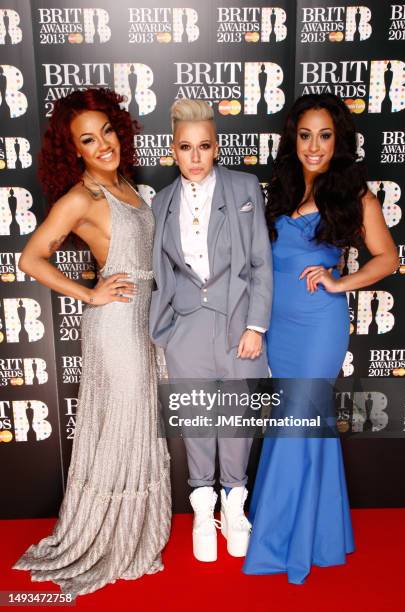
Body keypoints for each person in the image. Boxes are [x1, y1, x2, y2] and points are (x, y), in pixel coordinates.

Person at [12, 88, 171, 597]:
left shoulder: (122, 183)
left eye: (106, 131)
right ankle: (106, 539)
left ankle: (133, 531)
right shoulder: (82, 196)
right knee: (122, 426)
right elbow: (31, 258)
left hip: (143, 322)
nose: (102, 143)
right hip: (116, 326)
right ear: (73, 150)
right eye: (88, 139)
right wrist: (89, 292)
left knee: (139, 424)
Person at [243, 93, 399, 584]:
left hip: (319, 324)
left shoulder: (355, 195)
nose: (315, 146)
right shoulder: (280, 190)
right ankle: (324, 534)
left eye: (325, 135)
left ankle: (280, 541)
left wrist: (339, 281)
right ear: (294, 138)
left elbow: (387, 258)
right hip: (279, 326)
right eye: (306, 135)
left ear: (339, 141)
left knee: (295, 421)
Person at [149, 99, 272, 562]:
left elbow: (260, 263)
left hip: (239, 323)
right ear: (173, 150)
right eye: (186, 147)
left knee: (237, 419)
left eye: (204, 146)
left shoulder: (244, 188)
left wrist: (256, 325)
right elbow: (161, 269)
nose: (195, 156)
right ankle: (203, 508)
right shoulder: (160, 202)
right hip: (186, 327)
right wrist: (165, 330)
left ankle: (234, 506)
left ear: (216, 146)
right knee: (199, 418)